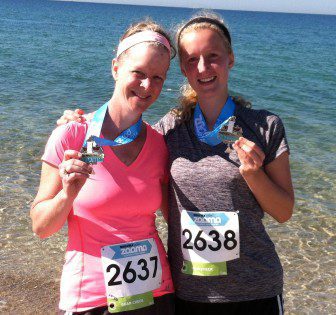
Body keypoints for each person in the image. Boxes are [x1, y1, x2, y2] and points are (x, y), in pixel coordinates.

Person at [57, 12, 294, 315]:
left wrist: (254, 175)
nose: (204, 67)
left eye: (213, 56)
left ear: (231, 59)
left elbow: (284, 212)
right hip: (188, 291)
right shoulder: (169, 129)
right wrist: (77, 124)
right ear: (182, 68)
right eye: (192, 59)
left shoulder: (265, 126)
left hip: (254, 289)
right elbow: (126, 136)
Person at [30, 20, 176, 315]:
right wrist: (67, 194)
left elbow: (174, 216)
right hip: (91, 298)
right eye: (138, 73)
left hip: (156, 294)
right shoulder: (71, 135)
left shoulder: (160, 144)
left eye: (158, 77)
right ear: (115, 68)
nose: (148, 86)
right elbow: (41, 228)